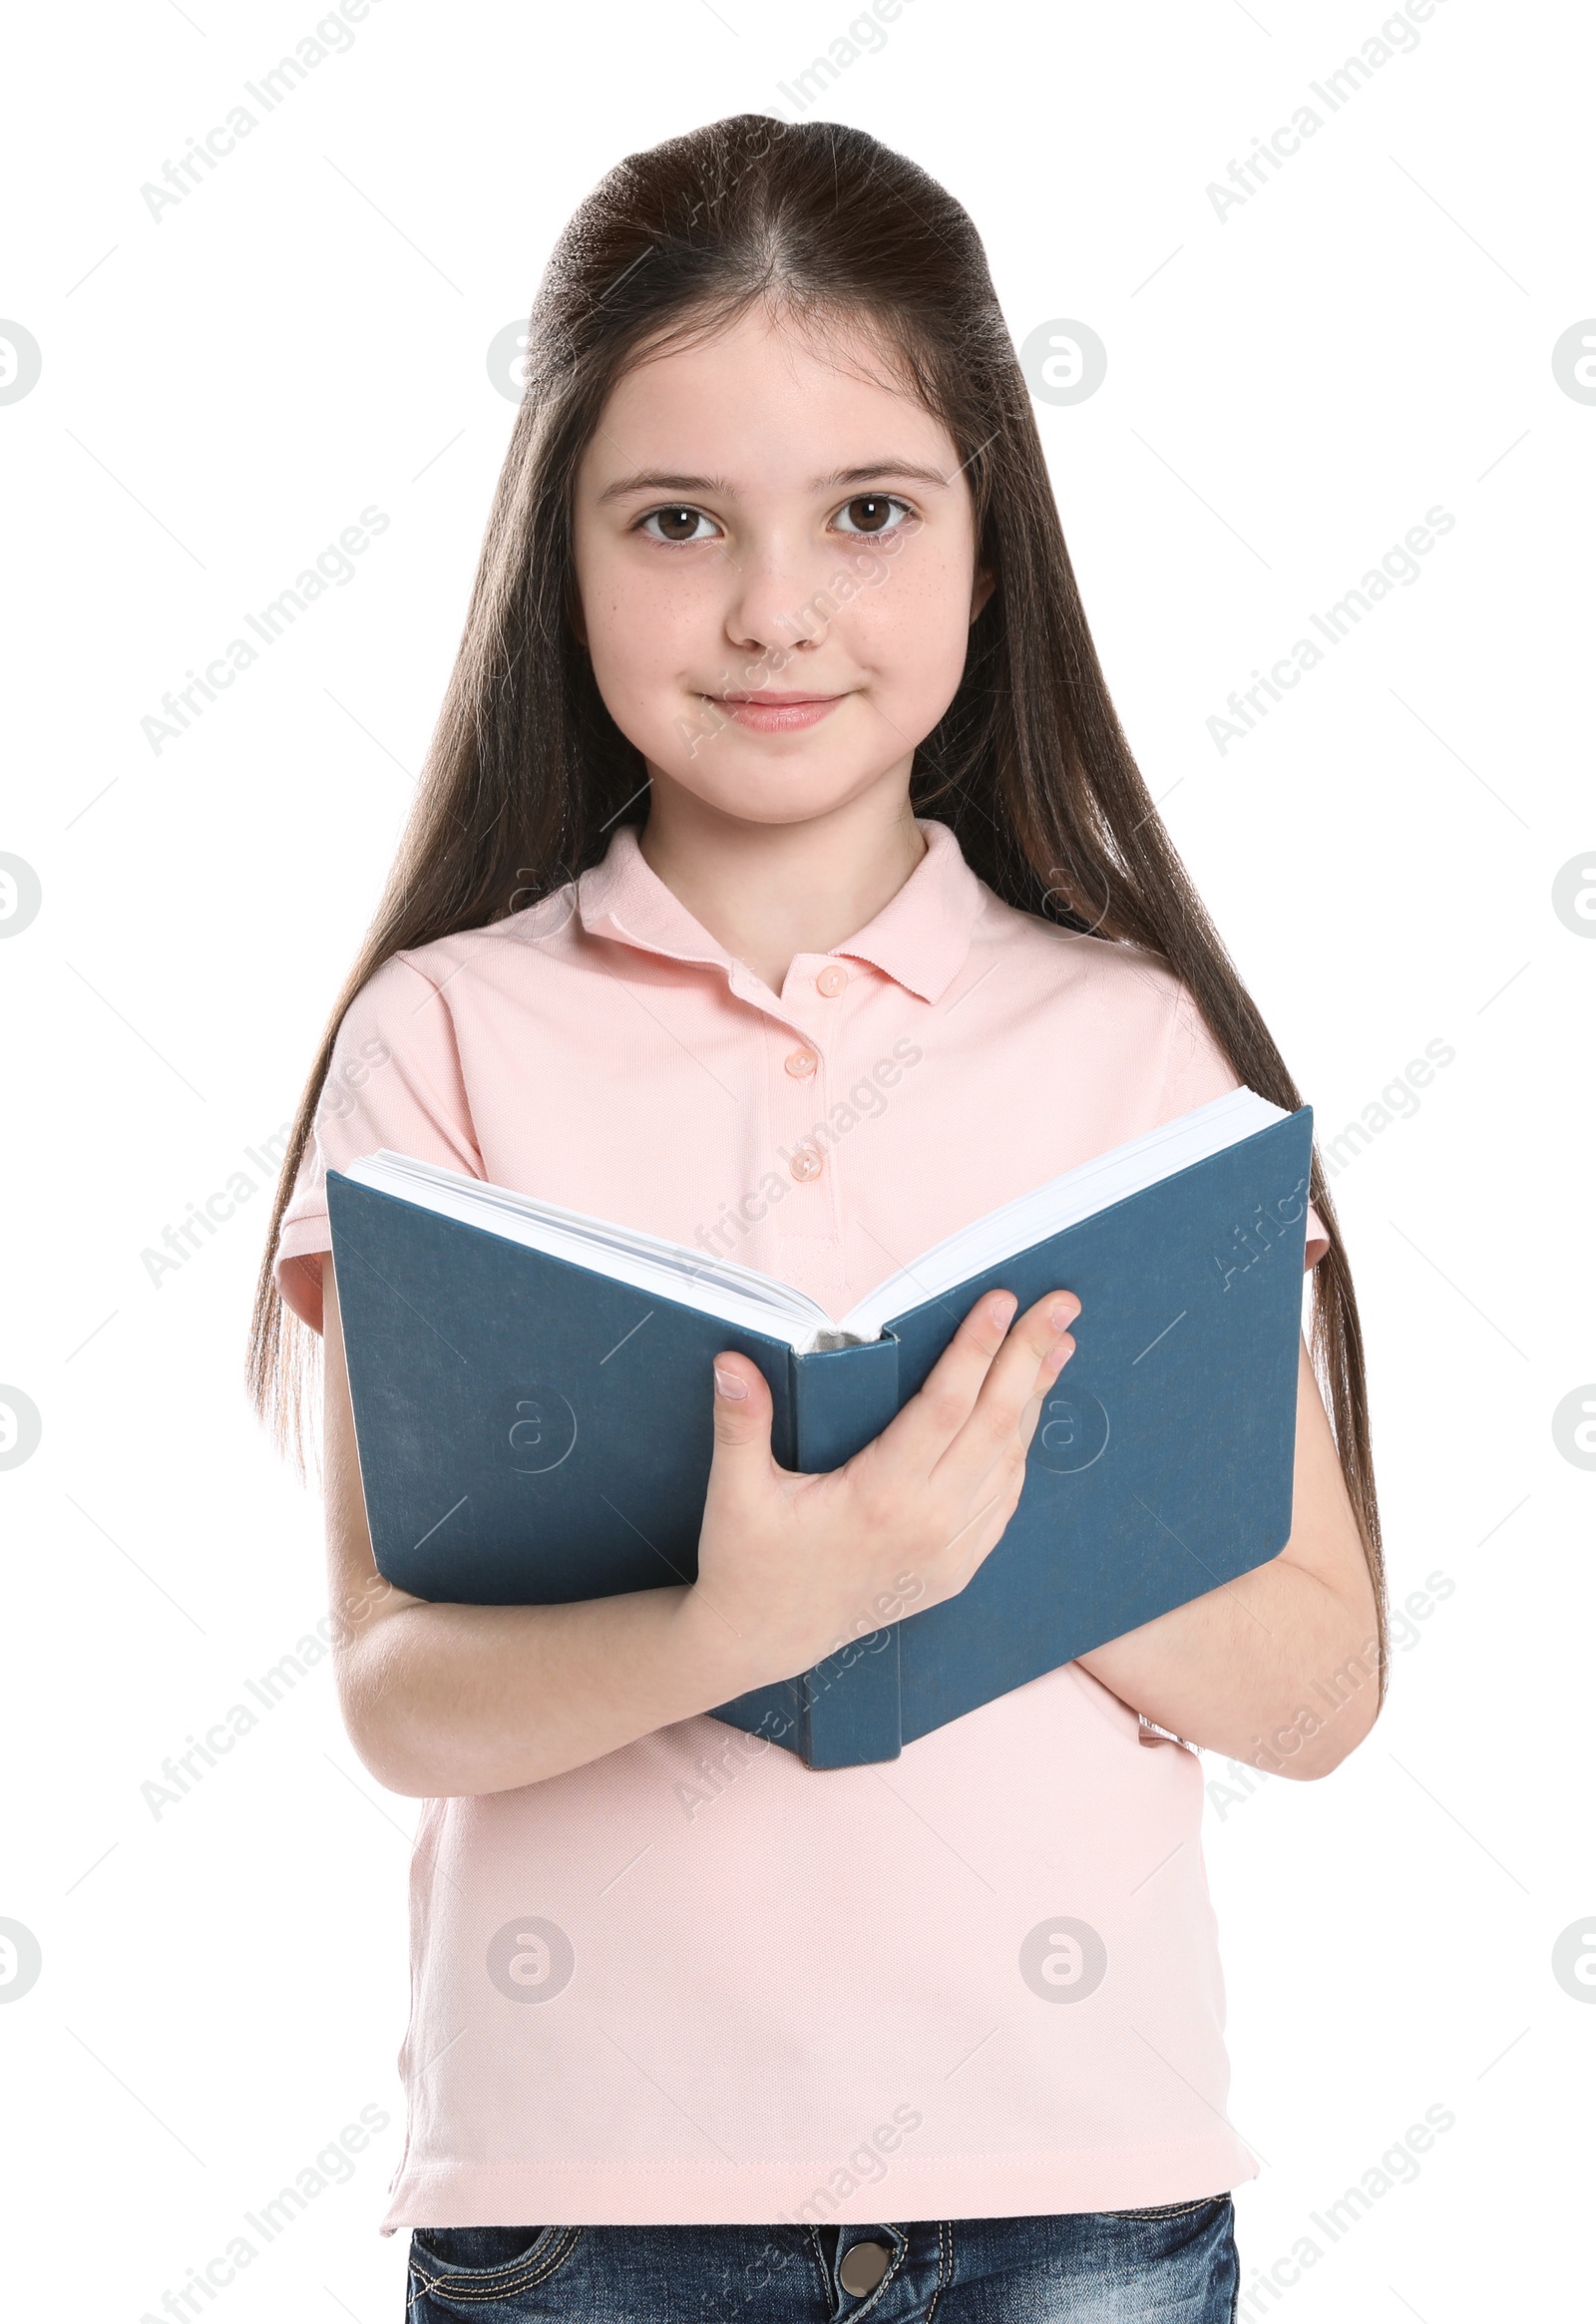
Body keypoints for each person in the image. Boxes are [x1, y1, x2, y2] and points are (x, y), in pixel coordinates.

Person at [249, 114, 1385, 2324]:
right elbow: (399, 1688)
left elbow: (1320, 1684)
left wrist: (961, 1540)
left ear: (985, 542)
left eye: (866, 513)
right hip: (586, 2208)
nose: (774, 608)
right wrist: (741, 1617)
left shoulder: (1136, 1048)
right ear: (558, 550)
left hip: (1074, 2195)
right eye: (674, 521)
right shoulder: (447, 1039)